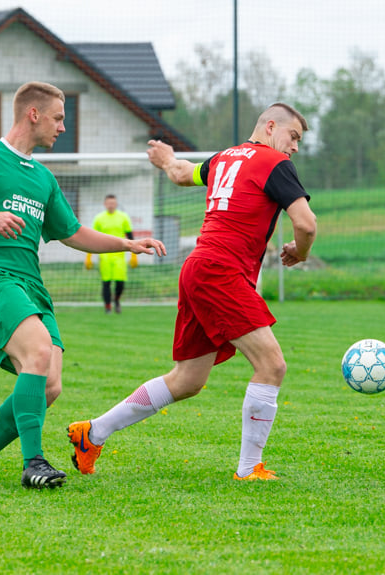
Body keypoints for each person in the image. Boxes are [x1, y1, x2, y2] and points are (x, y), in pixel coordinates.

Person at [0, 81, 166, 489]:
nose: (63, 127)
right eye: (58, 118)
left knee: (49, 384)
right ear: (33, 114)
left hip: (30, 283)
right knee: (37, 350)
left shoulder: (43, 178)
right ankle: (33, 462)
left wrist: (126, 244)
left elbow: (71, 232)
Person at [67, 102, 317, 481]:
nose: (295, 147)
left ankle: (93, 433)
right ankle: (249, 469)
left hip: (198, 267)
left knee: (188, 380)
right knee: (272, 365)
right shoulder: (274, 163)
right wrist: (299, 252)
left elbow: (182, 174)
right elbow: (307, 223)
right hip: (221, 272)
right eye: (293, 136)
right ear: (270, 127)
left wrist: (167, 158)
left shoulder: (224, 158)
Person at [86, 194, 136, 313]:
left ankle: (117, 300)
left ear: (116, 204)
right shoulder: (99, 218)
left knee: (120, 283)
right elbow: (92, 238)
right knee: (106, 282)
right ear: (105, 204)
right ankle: (107, 306)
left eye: (113, 203)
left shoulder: (123, 217)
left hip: (120, 255)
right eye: (109, 203)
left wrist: (134, 255)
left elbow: (130, 236)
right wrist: (89, 257)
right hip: (105, 255)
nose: (111, 205)